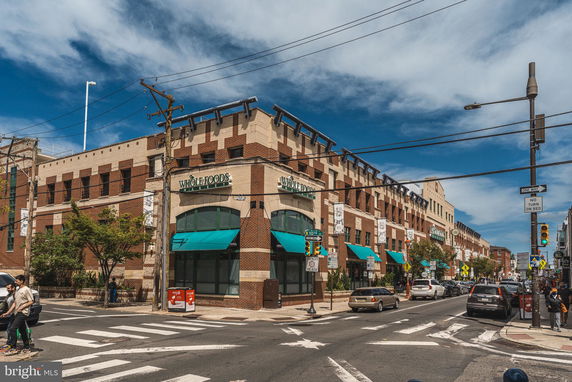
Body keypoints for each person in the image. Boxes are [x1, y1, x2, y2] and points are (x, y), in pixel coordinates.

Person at [0, 275, 34, 355]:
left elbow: (31, 301)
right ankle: (26, 347)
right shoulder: (18, 290)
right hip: (17, 312)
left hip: (23, 312)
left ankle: (13, 347)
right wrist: (7, 313)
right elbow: (15, 303)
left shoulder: (26, 289)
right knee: (22, 331)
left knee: (12, 328)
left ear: (22, 281)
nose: (15, 282)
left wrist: (22, 306)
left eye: (17, 280)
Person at [0, 283, 17, 351]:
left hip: (17, 314)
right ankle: (10, 343)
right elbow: (3, 303)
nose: (7, 290)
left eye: (8, 288)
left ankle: (12, 345)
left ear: (13, 288)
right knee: (10, 329)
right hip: (12, 314)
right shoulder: (9, 295)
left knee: (11, 329)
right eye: (7, 288)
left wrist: (7, 313)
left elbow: (15, 304)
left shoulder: (16, 294)